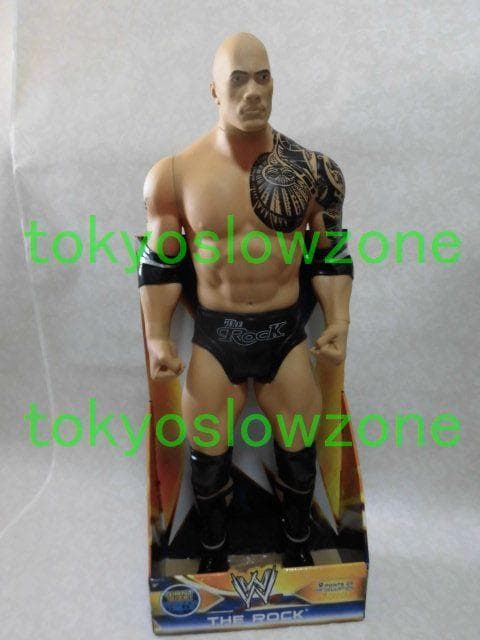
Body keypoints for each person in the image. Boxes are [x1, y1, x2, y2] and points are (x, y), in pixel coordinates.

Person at [138, 32, 353, 573]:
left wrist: (339, 319)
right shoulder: (175, 175)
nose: (253, 92)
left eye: (263, 77)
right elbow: (161, 263)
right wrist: (158, 336)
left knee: (299, 448)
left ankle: (299, 543)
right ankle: (212, 553)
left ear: (274, 83)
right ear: (214, 89)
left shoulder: (314, 172)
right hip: (218, 336)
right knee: (207, 454)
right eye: (238, 79)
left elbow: (329, 252)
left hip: (285, 335)